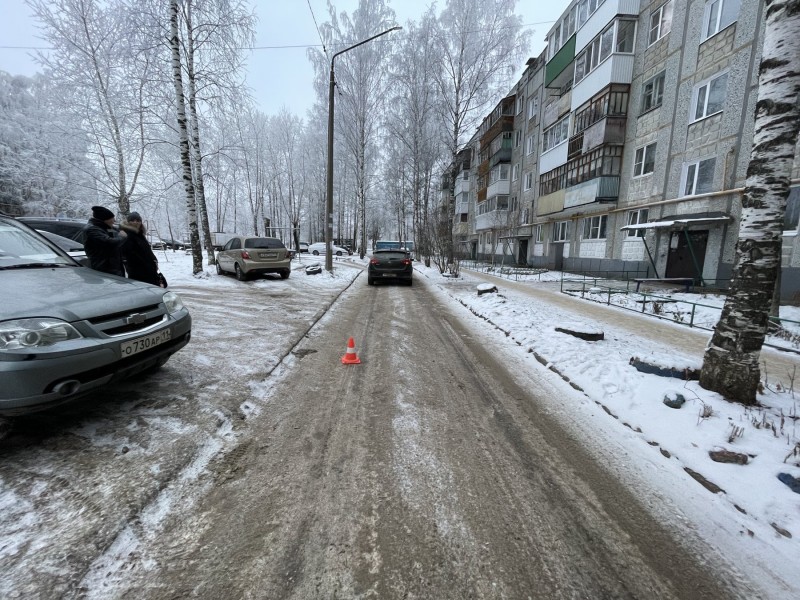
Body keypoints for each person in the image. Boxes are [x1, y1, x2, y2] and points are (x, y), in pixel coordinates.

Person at [82, 205, 127, 276]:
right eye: (112, 218)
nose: (114, 221)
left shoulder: (103, 227)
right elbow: (109, 242)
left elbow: (117, 230)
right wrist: (121, 237)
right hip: (104, 268)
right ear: (104, 219)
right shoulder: (92, 229)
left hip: (112, 267)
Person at [120, 212, 161, 286]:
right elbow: (126, 254)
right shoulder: (126, 235)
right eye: (132, 220)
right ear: (128, 222)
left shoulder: (140, 235)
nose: (135, 222)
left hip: (149, 270)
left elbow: (147, 251)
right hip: (138, 272)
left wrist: (154, 260)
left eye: (138, 220)